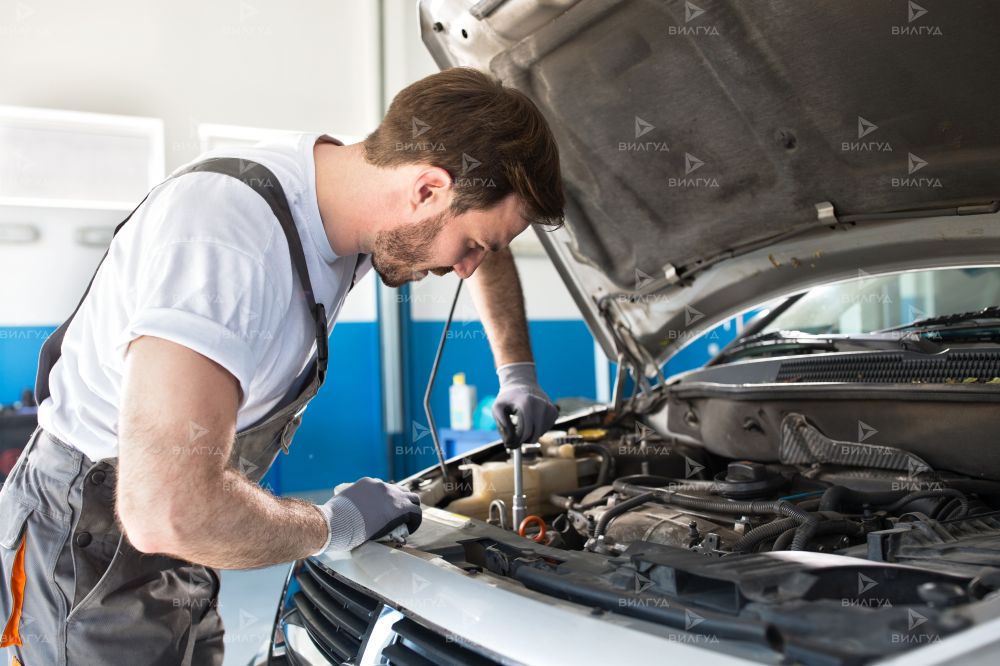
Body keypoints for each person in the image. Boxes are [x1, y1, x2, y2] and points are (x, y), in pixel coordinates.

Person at [0, 67, 564, 665]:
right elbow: (166, 511)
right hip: (91, 543)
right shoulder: (225, 238)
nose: (470, 267)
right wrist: (332, 524)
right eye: (472, 245)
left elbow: (485, 239)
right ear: (426, 189)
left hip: (187, 530)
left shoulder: (363, 209)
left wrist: (517, 371)